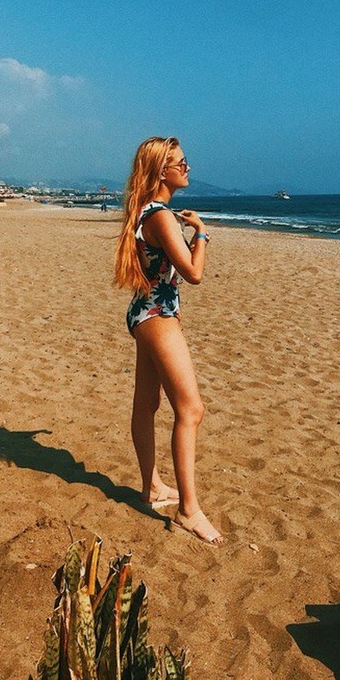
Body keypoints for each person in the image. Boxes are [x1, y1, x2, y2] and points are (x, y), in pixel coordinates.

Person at [114, 136, 222, 545]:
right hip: (157, 317)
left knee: (147, 405)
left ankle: (152, 487)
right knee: (191, 410)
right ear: (162, 171)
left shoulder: (144, 210)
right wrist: (202, 233)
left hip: (144, 312)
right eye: (181, 163)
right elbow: (194, 274)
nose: (187, 167)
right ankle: (188, 511)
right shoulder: (160, 216)